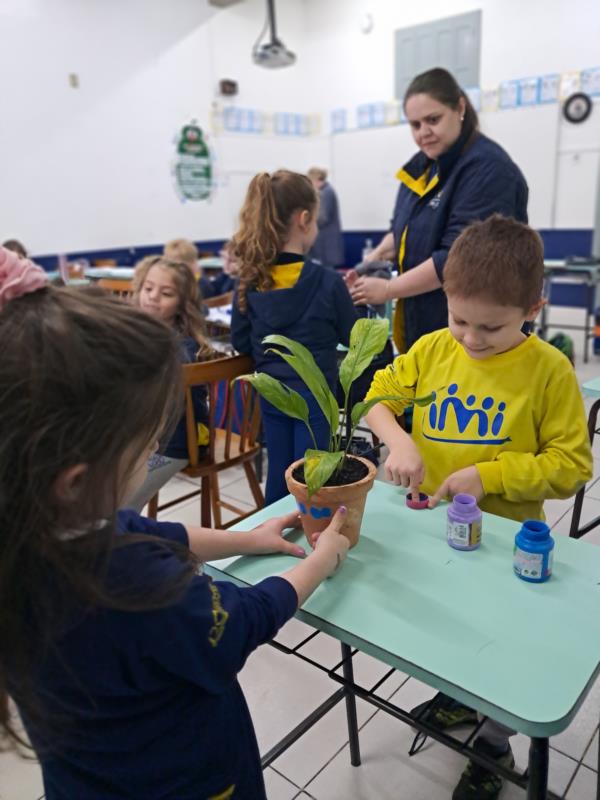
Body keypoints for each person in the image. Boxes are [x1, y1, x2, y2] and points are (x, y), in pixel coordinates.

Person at [0, 244, 350, 800]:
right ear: (75, 478)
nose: (150, 458)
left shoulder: (38, 530)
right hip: (189, 779)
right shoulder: (135, 585)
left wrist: (248, 537)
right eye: (141, 447)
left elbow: (150, 531)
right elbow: (244, 620)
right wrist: (323, 561)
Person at [364, 215, 593, 800]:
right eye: (458, 317)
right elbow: (377, 399)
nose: (469, 338)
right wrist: (399, 438)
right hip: (433, 534)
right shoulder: (433, 348)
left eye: (490, 327)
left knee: (499, 651)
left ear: (533, 308)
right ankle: (458, 700)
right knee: (448, 636)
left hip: (505, 545)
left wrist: (486, 474)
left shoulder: (549, 371)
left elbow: (572, 466)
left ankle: (493, 746)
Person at [349, 67, 528, 355]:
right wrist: (373, 258)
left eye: (433, 120)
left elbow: (456, 258)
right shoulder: (422, 166)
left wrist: (388, 290)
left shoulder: (489, 171)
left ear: (459, 107)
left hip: (479, 335)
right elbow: (402, 229)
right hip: (425, 326)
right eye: (415, 125)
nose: (423, 133)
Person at [231, 170, 357, 504]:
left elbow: (240, 341)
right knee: (313, 480)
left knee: (281, 475)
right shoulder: (327, 282)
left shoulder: (250, 281)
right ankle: (313, 544)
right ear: (304, 219)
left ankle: (273, 537)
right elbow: (353, 338)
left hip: (272, 394)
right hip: (316, 399)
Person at [128, 255, 215, 511]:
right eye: (148, 288)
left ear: (182, 304)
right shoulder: (138, 331)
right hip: (139, 439)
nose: (153, 297)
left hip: (173, 445)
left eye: (165, 293)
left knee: (117, 506)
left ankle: (122, 540)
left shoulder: (181, 349)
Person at [307, 167, 345, 269]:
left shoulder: (326, 193)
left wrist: (307, 222)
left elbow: (323, 217)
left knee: (327, 271)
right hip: (325, 244)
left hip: (326, 244)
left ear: (317, 179)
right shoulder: (327, 191)